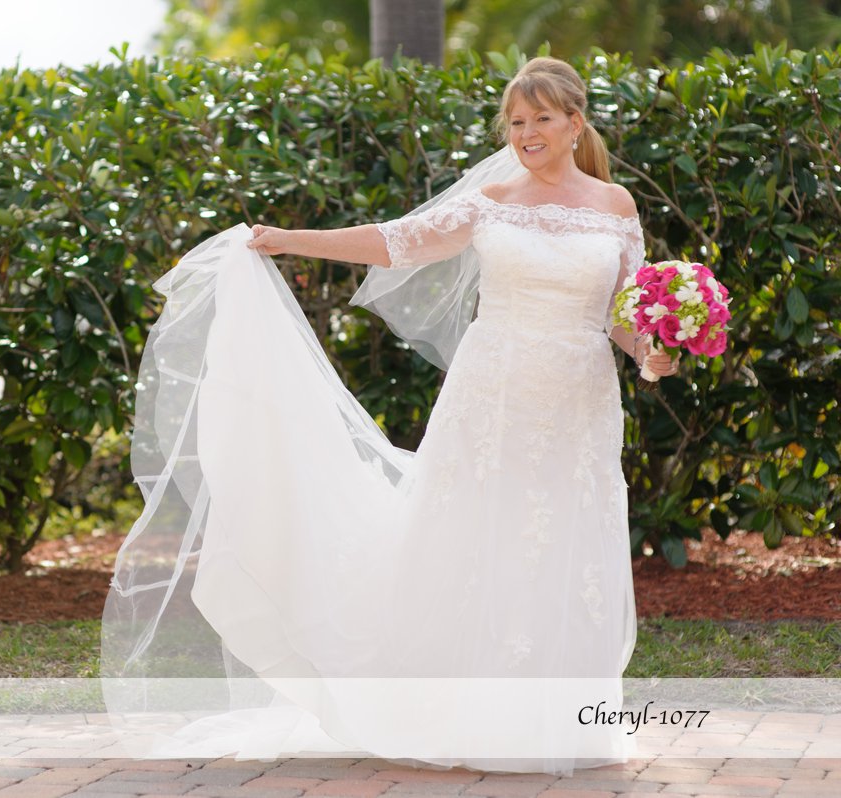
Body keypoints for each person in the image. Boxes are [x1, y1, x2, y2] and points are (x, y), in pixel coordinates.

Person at [102, 56, 678, 776]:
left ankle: (558, 720)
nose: (526, 132)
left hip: (578, 401)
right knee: (477, 537)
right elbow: (396, 241)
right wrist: (288, 239)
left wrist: (652, 353)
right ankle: (465, 714)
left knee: (563, 538)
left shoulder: (615, 207)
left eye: (540, 118)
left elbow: (623, 312)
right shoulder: (491, 201)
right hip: (492, 397)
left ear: (574, 123)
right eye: (515, 121)